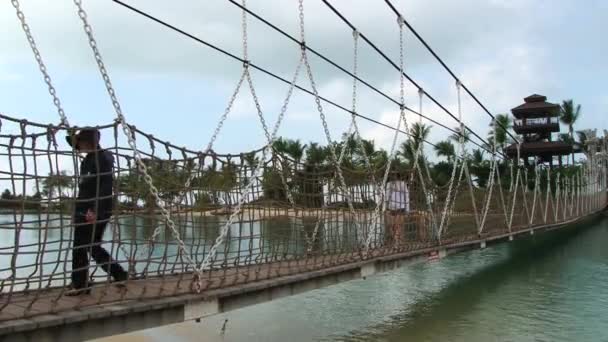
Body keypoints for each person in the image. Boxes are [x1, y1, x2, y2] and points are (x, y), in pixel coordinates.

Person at [65, 128, 127, 296]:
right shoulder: (88, 160)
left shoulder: (102, 159)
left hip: (95, 209)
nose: (77, 146)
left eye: (80, 142)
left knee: (80, 246)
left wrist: (94, 210)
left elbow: (105, 186)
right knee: (92, 247)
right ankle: (119, 274)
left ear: (87, 141)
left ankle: (80, 284)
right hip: (84, 208)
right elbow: (86, 187)